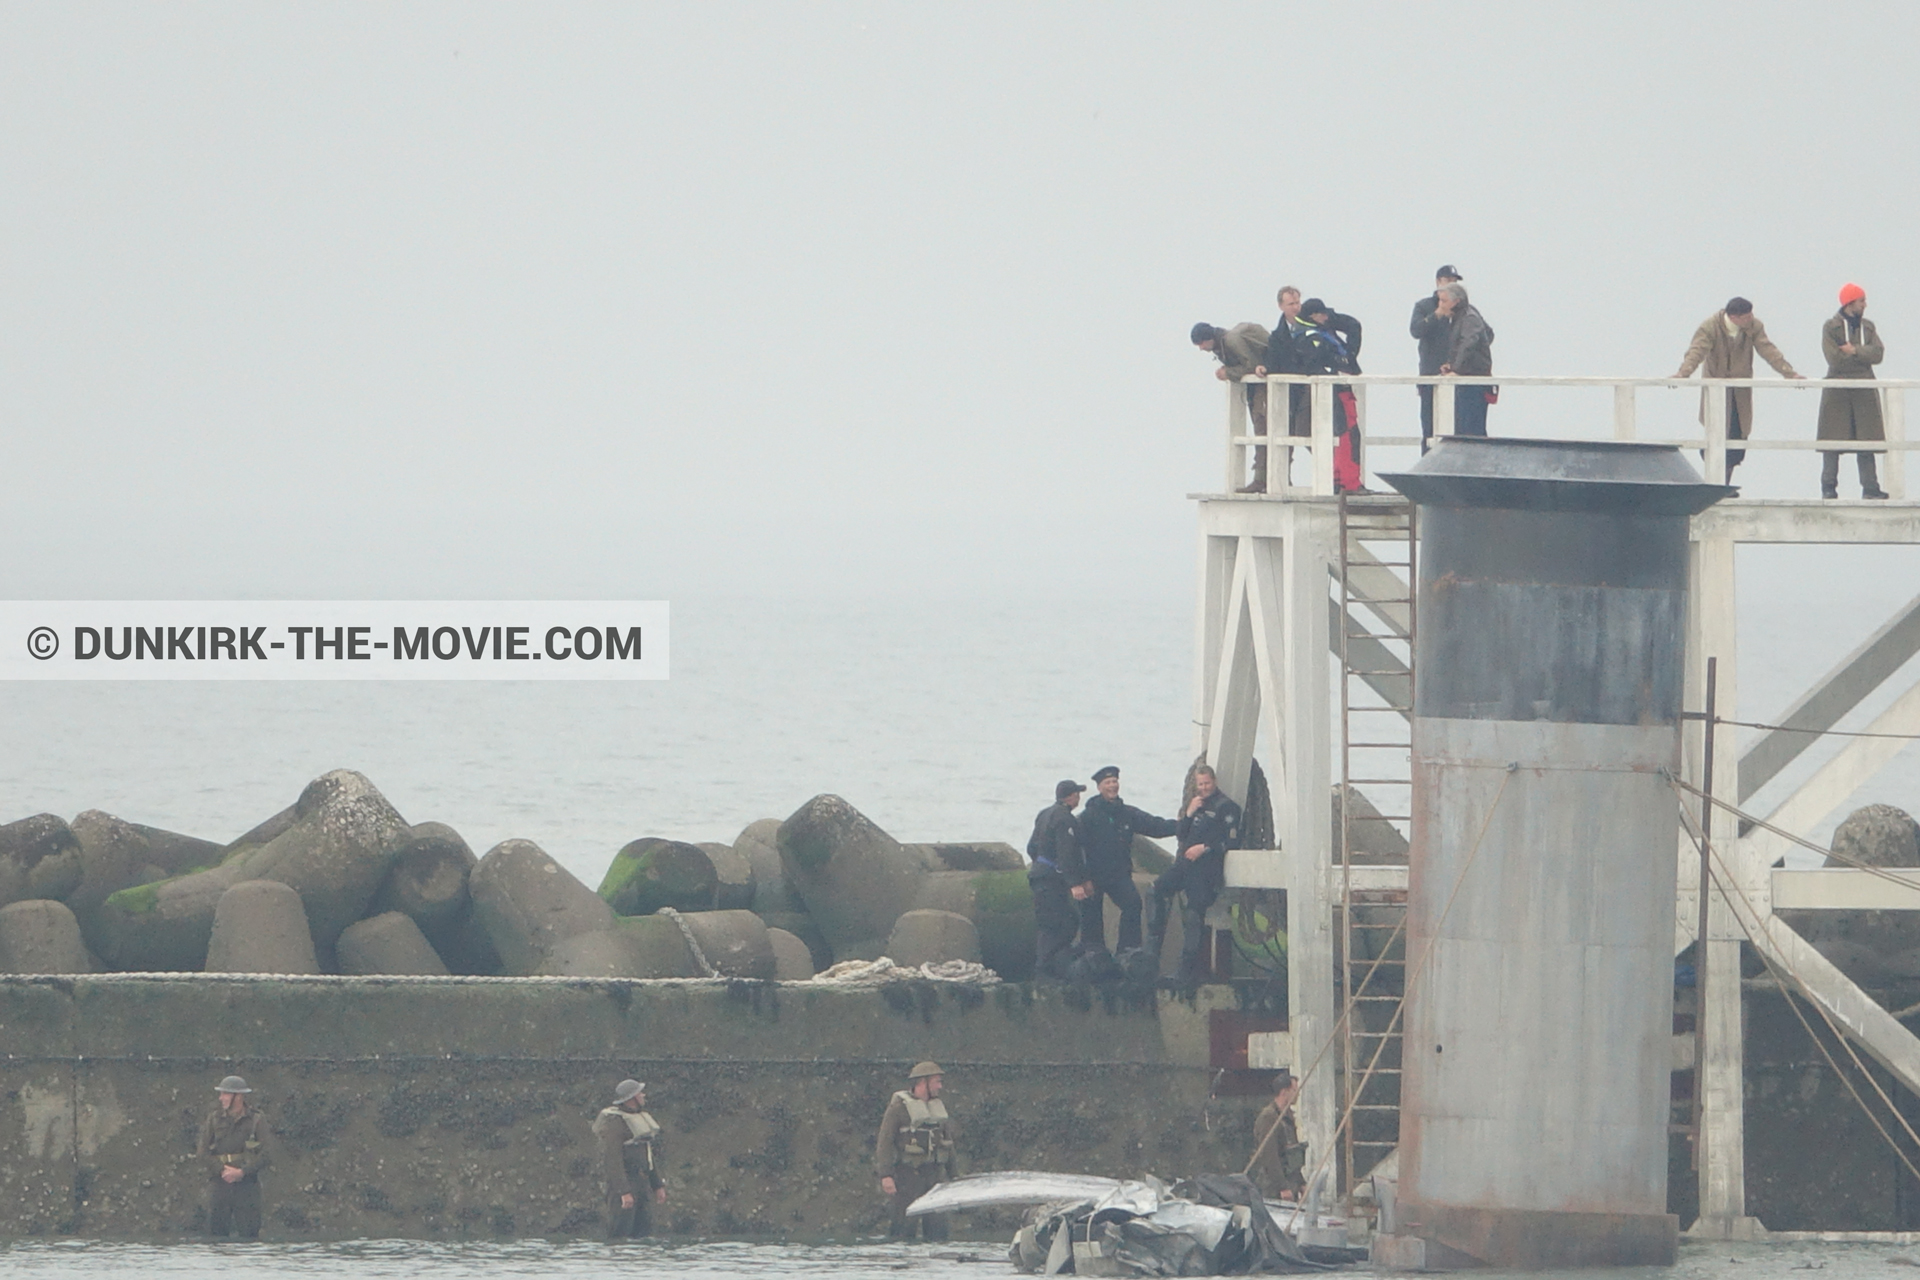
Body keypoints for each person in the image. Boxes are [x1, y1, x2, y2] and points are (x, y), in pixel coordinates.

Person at [1672, 297, 1805, 482]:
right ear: (1735, 317)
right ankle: (1716, 482)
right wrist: (1683, 373)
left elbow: (1768, 350)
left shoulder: (1754, 327)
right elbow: (1697, 351)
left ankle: (1724, 482)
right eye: (1747, 316)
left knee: (1737, 436)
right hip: (1716, 389)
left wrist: (1789, 373)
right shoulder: (1710, 327)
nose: (1751, 318)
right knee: (1716, 434)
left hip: (1739, 392)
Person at [1147, 765, 1243, 985]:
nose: (1204, 788)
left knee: (1193, 914)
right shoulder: (1196, 805)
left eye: (1207, 783)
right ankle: (1152, 953)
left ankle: (1187, 969)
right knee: (1155, 890)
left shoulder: (1227, 807)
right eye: (1200, 784)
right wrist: (1188, 814)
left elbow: (1232, 841)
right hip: (1185, 865)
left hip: (1206, 870)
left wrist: (1205, 847)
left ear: (1214, 781)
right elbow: (1180, 833)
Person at [1075, 765, 1178, 956]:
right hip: (1093, 875)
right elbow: (1075, 848)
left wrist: (1183, 825)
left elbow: (1155, 826)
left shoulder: (1127, 813)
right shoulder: (1088, 816)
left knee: (1132, 905)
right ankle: (1093, 954)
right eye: (1108, 783)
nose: (1112, 786)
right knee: (1091, 915)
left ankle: (1127, 952)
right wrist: (1081, 878)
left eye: (1114, 781)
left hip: (1118, 875)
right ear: (1099, 787)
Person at [1817, 283, 1890, 500]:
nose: (1865, 305)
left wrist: (1855, 350)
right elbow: (1833, 358)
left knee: (1866, 440)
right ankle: (1828, 487)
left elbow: (1878, 354)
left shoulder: (1868, 327)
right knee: (1832, 441)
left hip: (1864, 387)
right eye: (1861, 301)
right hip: (1837, 388)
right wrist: (1861, 356)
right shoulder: (1831, 327)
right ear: (1850, 303)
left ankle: (1870, 488)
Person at [875, 1061, 957, 1240]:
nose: (940, 1086)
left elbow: (948, 1144)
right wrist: (886, 1175)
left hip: (935, 1176)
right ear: (922, 1083)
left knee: (938, 1230)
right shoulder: (899, 1109)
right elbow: (885, 1142)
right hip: (907, 1175)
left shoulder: (938, 1110)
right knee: (903, 1228)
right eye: (936, 1081)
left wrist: (954, 1176)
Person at [1192, 321, 1273, 493]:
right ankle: (1267, 478)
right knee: (1264, 432)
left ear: (1207, 339)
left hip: (1264, 388)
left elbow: (1252, 365)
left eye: (1200, 343)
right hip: (1257, 390)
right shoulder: (1223, 343)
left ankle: (1262, 480)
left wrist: (1228, 373)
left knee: (1263, 429)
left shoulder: (1231, 341)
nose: (1200, 348)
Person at [1296, 299, 1367, 493]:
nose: (1327, 317)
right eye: (1323, 314)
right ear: (1313, 316)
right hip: (1336, 392)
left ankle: (1340, 481)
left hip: (1337, 390)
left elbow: (1353, 325)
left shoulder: (1320, 331)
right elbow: (1319, 363)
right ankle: (1348, 483)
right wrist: (1343, 363)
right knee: (1347, 435)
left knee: (1343, 435)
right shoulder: (1311, 337)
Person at [1028, 780, 1091, 980]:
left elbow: (1031, 847)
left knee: (1055, 922)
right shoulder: (1066, 819)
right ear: (1070, 797)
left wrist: (1040, 865)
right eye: (1077, 794)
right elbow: (1067, 854)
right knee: (1060, 924)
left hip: (1039, 874)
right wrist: (1075, 883)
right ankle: (1044, 968)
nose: (1078, 798)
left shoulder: (1044, 814)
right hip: (1051, 880)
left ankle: (1053, 966)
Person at [195, 1074, 271, 1240]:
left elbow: (267, 1154)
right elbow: (203, 1152)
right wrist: (222, 1170)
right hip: (220, 1183)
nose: (221, 1098)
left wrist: (242, 1172)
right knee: (217, 1234)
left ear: (238, 1096)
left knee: (249, 1234)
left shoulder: (256, 1119)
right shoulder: (214, 1119)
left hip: (247, 1186)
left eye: (225, 1094)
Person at [592, 1078, 667, 1240]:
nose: (643, 1095)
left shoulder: (638, 1118)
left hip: (642, 1182)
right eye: (640, 1093)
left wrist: (657, 1184)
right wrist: (624, 1192)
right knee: (621, 1232)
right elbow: (612, 1160)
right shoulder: (614, 1122)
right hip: (625, 1183)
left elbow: (647, 1156)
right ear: (632, 1097)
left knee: (644, 1233)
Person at [1409, 266, 1463, 450]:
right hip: (1430, 375)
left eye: (1454, 281)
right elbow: (1415, 330)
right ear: (1438, 281)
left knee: (1459, 428)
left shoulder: (1464, 311)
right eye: (1448, 280)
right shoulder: (1424, 306)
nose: (1451, 284)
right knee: (1429, 428)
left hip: (1458, 377)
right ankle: (1427, 468)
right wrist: (1437, 315)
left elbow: (1485, 334)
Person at [1435, 282, 1495, 437]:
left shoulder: (1469, 317)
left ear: (1456, 302)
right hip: (1467, 379)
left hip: (1475, 382)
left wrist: (1457, 369)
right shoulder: (1461, 317)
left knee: (1472, 428)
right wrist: (1452, 365)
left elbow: (1468, 343)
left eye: (1443, 301)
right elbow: (1486, 335)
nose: (1440, 305)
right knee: (1463, 426)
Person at [1251, 1072, 1308, 1201]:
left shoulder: (1287, 1116)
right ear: (1284, 1092)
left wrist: (1301, 1182)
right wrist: (1282, 1187)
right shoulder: (1269, 1117)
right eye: (1294, 1090)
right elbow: (1269, 1155)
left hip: (1289, 1182)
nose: (1297, 1093)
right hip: (1273, 1188)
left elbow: (1292, 1155)